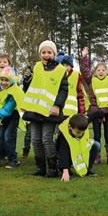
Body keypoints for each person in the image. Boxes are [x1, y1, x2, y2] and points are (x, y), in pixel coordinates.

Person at [21, 40, 68, 178]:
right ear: (40, 54)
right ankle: (40, 168)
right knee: (35, 139)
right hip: (35, 110)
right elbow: (28, 88)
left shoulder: (60, 70)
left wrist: (58, 106)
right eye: (43, 52)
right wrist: (26, 79)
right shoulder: (35, 67)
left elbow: (63, 90)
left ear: (54, 54)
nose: (46, 55)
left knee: (46, 139)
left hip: (50, 111)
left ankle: (52, 168)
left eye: (49, 52)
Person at [80, 48, 108, 165]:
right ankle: (96, 156)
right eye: (98, 70)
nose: (101, 71)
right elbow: (84, 71)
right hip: (95, 113)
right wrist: (84, 57)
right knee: (97, 135)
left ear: (107, 71)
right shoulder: (91, 80)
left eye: (103, 70)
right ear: (95, 72)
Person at [0, 66, 24, 168]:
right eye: (2, 80)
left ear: (12, 80)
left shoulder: (15, 92)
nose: (3, 83)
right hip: (3, 116)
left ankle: (13, 160)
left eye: (6, 80)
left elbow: (7, 110)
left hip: (12, 116)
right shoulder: (2, 89)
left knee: (7, 137)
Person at [58, 113, 104, 182]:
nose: (81, 134)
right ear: (70, 127)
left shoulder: (84, 121)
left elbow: (95, 113)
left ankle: (89, 168)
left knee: (96, 145)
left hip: (81, 148)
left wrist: (101, 116)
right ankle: (65, 167)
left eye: (83, 132)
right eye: (78, 132)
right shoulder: (63, 136)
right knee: (64, 154)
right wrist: (65, 170)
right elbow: (63, 153)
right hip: (67, 154)